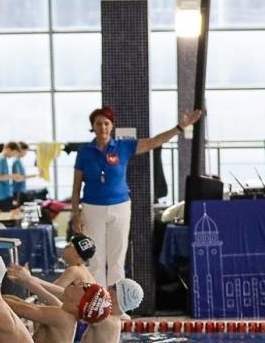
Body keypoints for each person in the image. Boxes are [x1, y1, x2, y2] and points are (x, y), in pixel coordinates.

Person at [70, 106, 202, 288]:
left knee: (117, 257)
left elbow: (154, 142)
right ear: (93, 126)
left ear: (112, 126)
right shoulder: (84, 151)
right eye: (98, 123)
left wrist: (179, 127)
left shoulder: (123, 146)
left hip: (120, 206)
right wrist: (75, 214)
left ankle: (116, 304)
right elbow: (76, 185)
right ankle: (97, 303)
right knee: (95, 259)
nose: (103, 127)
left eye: (106, 123)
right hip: (92, 208)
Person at [77, 276, 142, 343]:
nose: (109, 287)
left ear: (117, 296)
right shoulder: (112, 320)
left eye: (114, 287)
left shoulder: (106, 321)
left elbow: (72, 304)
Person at [0, 142, 26, 212]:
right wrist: (13, 176)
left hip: (4, 192)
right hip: (3, 193)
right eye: (13, 153)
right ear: (8, 149)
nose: (13, 155)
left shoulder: (3, 159)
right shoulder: (1, 160)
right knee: (14, 210)